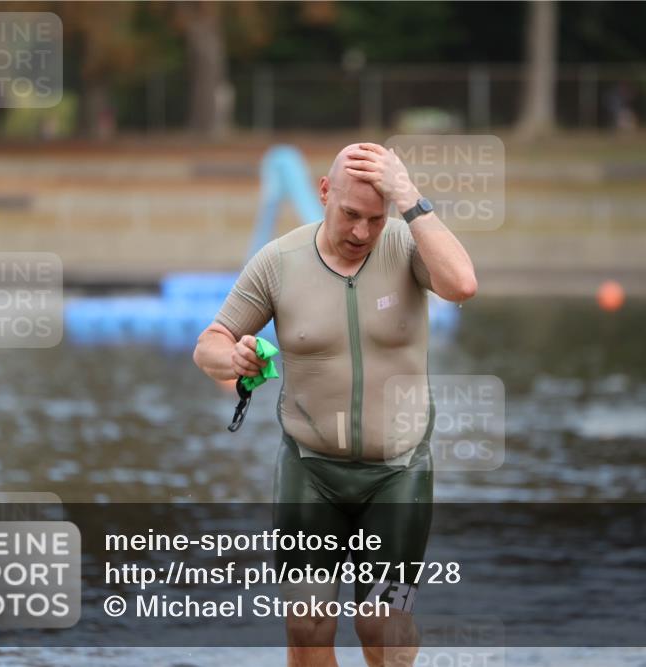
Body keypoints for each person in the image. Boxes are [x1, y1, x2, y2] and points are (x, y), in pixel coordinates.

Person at [193, 142, 477, 667]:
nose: (362, 232)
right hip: (311, 470)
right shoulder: (279, 261)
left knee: (382, 622)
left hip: (398, 471)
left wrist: (409, 199)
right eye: (350, 214)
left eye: (376, 217)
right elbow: (208, 344)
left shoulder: (406, 245)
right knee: (306, 625)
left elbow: (461, 285)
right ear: (324, 192)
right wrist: (234, 356)